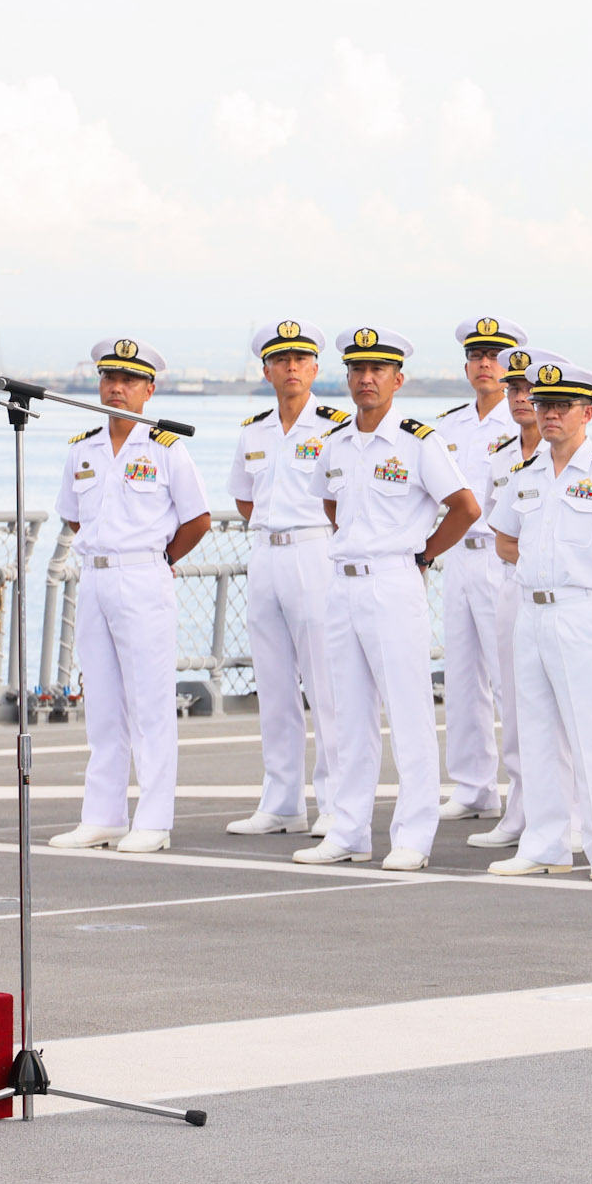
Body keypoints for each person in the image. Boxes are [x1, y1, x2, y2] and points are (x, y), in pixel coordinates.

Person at [296, 327, 480, 871]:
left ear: (398, 379)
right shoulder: (334, 441)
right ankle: (349, 830)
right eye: (357, 370)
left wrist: (422, 556)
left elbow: (465, 507)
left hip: (394, 583)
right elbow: (331, 504)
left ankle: (413, 836)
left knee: (408, 714)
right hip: (343, 584)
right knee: (348, 715)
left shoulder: (417, 440)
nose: (366, 379)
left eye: (378, 370)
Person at [485, 359, 592, 881]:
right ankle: (545, 843)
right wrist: (541, 568)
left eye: (562, 406)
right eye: (544, 405)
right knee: (535, 731)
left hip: (581, 612)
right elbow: (503, 538)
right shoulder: (525, 474)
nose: (550, 415)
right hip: (531, 612)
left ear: (587, 412)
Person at [47, 339, 213, 853]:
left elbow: (198, 519)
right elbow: (73, 515)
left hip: (144, 575)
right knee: (102, 703)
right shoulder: (83, 446)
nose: (115, 388)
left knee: (150, 705)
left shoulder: (165, 447)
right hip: (94, 575)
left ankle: (154, 820)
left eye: (128, 380)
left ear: (148, 390)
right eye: (108, 378)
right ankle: (104, 815)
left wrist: (161, 559)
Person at [226, 319, 353, 836]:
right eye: (281, 361)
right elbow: (242, 496)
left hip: (314, 550)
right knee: (274, 685)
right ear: (266, 370)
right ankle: (281, 802)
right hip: (266, 554)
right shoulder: (253, 429)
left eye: (300, 360)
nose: (291, 368)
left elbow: (352, 497)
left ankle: (336, 803)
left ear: (315, 368)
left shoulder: (337, 425)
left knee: (327, 684)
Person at [436, 315, 530, 826]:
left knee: (508, 678)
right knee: (463, 675)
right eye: (476, 356)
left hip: (500, 556)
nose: (484, 365)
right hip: (457, 557)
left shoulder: (521, 422)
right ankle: (473, 786)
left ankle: (522, 792)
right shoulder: (448, 425)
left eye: (494, 356)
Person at [464, 345, 553, 852]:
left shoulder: (569, 453)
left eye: (529, 390)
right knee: (515, 705)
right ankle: (520, 808)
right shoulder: (499, 456)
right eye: (515, 389)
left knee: (561, 706)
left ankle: (572, 810)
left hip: (558, 590)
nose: (521, 398)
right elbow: (499, 526)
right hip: (509, 584)